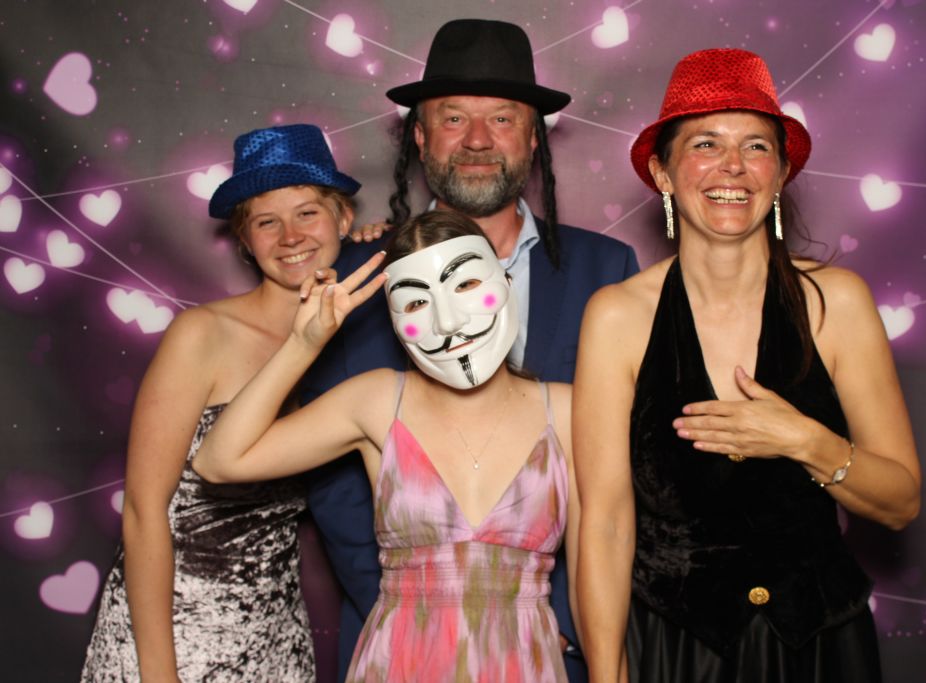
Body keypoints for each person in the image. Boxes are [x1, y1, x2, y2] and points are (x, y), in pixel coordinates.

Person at [301, 18, 639, 681]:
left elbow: (621, 481)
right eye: (454, 118)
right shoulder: (354, 277)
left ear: (533, 137)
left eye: (502, 119)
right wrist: (433, 617)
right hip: (401, 646)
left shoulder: (607, 271)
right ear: (419, 136)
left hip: (558, 648)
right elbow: (334, 485)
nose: (478, 139)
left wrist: (558, 621)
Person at [574, 49, 922, 682]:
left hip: (819, 654)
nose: (732, 165)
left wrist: (806, 441)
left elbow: (901, 502)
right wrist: (605, 674)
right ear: (662, 172)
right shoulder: (617, 316)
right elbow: (603, 525)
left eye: (756, 146)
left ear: (781, 173)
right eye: (706, 144)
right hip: (675, 653)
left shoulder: (837, 303)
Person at [193, 210, 580, 682]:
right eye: (416, 303)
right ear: (394, 320)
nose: (447, 320)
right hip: (402, 660)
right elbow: (219, 460)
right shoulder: (377, 401)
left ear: (504, 282)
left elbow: (606, 549)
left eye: (464, 285)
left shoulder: (565, 410)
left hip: (522, 662)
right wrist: (303, 343)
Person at [81, 124, 361, 682]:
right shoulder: (203, 334)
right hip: (176, 630)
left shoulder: (355, 340)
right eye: (266, 222)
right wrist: (159, 673)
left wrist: (384, 239)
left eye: (307, 213)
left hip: (277, 638)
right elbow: (143, 511)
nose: (290, 236)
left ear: (343, 220)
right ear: (245, 240)